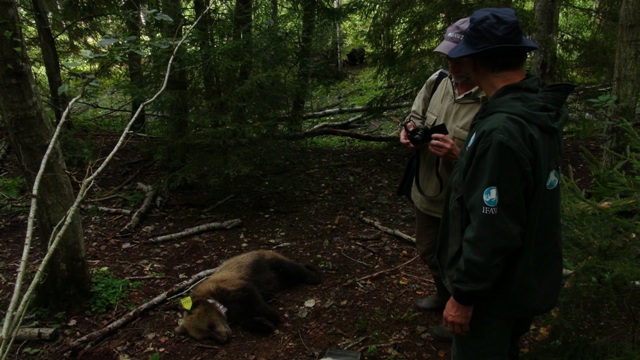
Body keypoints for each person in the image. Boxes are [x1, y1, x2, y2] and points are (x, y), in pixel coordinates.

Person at [436, 8, 575, 359]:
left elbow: (493, 226)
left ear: (476, 58)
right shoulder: (536, 108)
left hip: (494, 294)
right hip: (523, 280)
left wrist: (464, 296)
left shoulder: (504, 130)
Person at [399, 18, 485, 341]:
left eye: (459, 57)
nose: (451, 63)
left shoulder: (488, 97)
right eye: (448, 56)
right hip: (428, 192)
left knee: (461, 259)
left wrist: (457, 154)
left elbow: (494, 160)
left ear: (478, 57)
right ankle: (442, 294)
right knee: (427, 249)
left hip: (463, 201)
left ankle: (462, 314)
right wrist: (407, 133)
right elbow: (414, 117)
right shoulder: (437, 81)